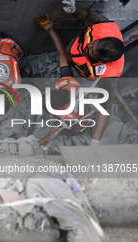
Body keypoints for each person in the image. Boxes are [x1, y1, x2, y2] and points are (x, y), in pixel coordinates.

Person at [61, 0, 125, 145]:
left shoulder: (110, 75)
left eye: (91, 51)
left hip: (83, 71)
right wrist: (73, 9)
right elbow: (86, 16)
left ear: (101, 62)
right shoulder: (104, 26)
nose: (89, 45)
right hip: (74, 51)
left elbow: (106, 108)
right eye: (93, 44)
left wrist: (95, 141)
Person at [35, 15, 92, 146]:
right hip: (84, 109)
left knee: (60, 130)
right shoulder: (68, 83)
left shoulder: (67, 116)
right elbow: (62, 54)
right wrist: (50, 29)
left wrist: (29, 146)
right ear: (58, 91)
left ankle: (72, 132)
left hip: (80, 126)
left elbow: (50, 136)